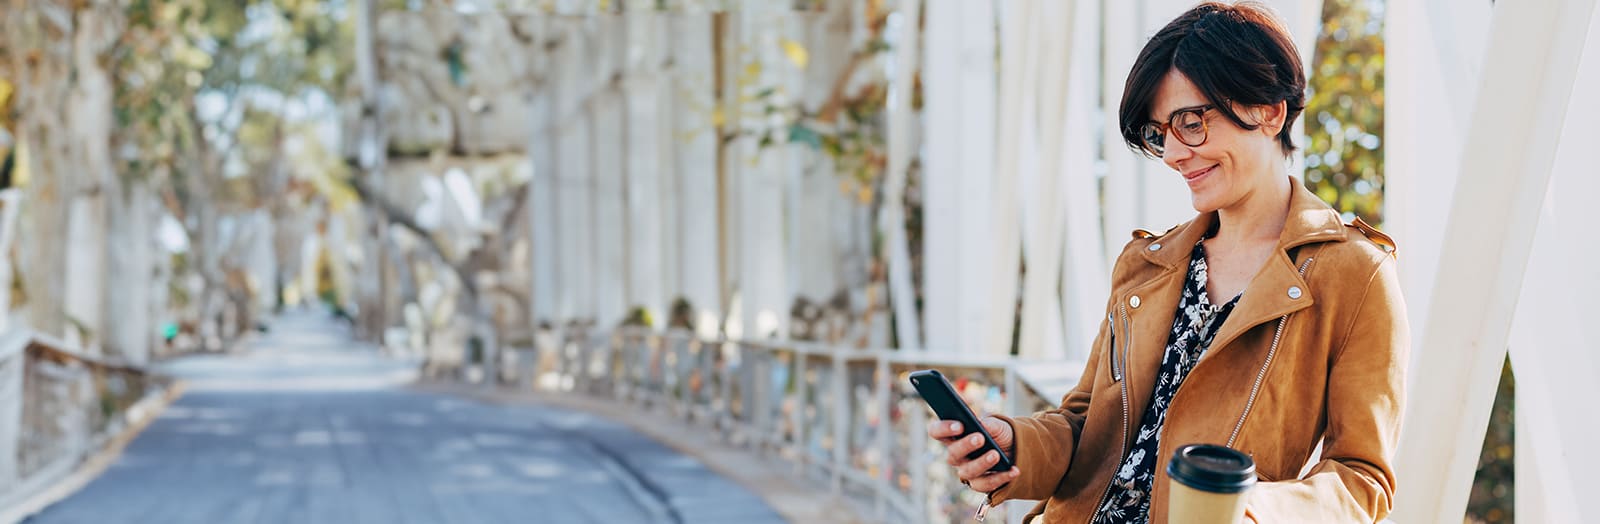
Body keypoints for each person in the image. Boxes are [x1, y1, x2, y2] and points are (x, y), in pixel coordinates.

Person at [927, 2, 1407, 522]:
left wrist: (1247, 509)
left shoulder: (1354, 274)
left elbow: (1362, 479)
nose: (1175, 154)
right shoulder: (1145, 266)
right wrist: (1015, 445)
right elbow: (1088, 427)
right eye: (1160, 134)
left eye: (1192, 123)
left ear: (1270, 111)